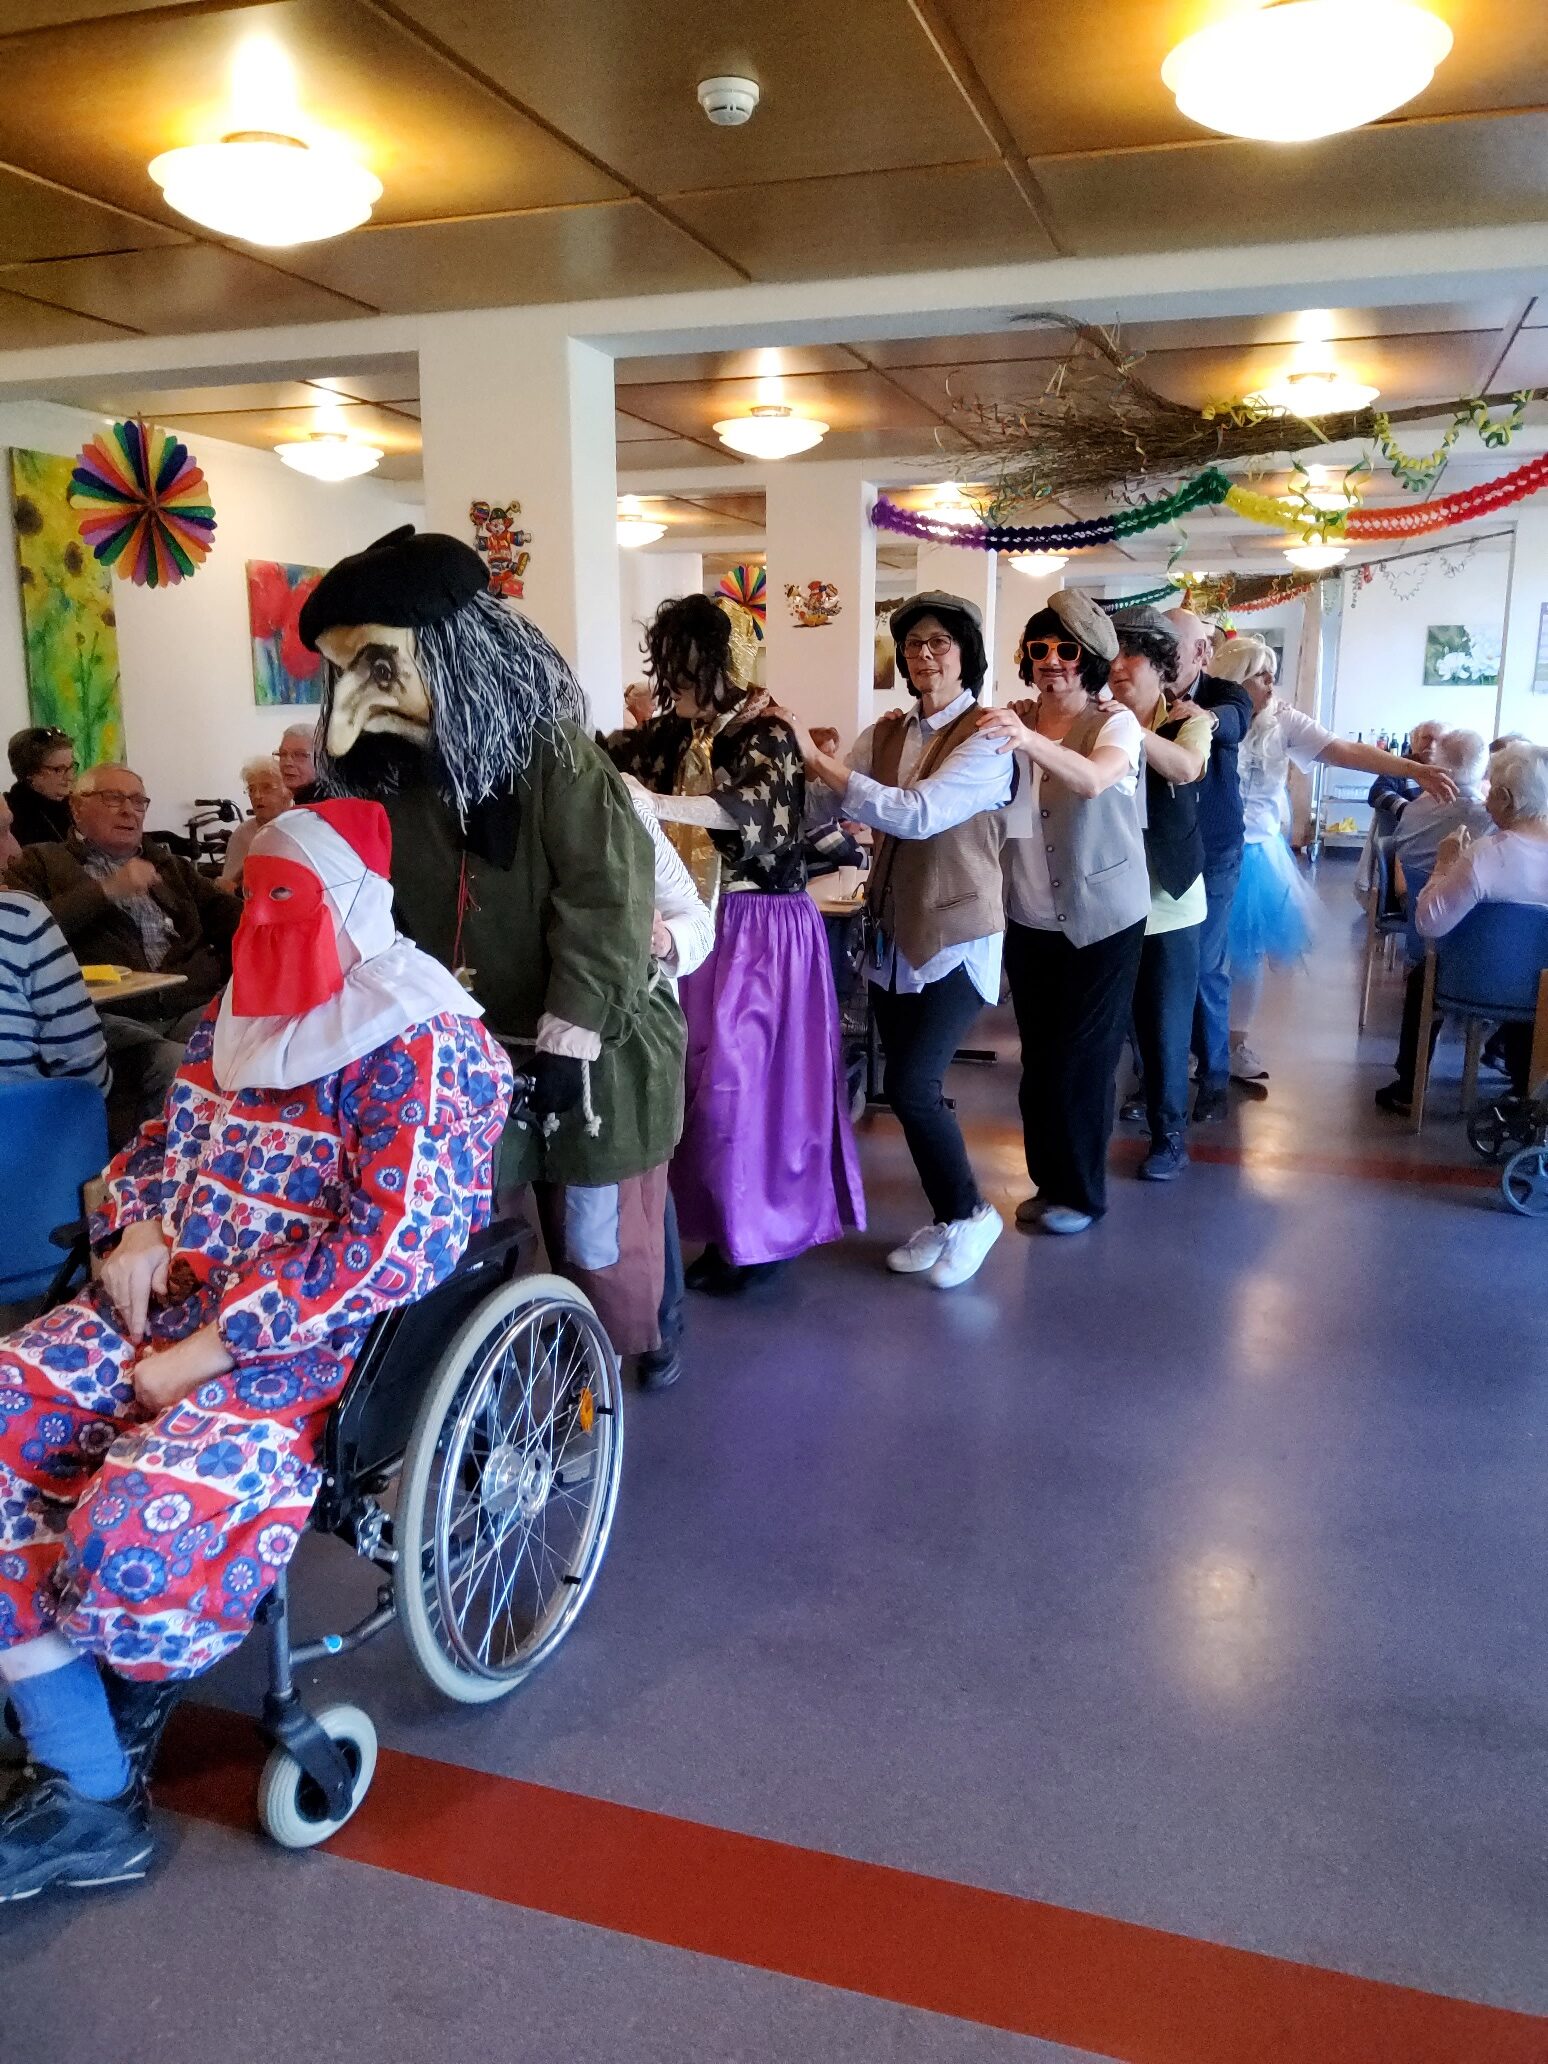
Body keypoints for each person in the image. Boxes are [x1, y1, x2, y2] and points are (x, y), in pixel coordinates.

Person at [0, 798, 511, 1902]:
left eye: (291, 896)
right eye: (254, 893)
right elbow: (154, 1146)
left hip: (302, 1349)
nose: (262, 917)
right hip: (159, 1303)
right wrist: (136, 1223)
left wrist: (214, 1350)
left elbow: (401, 1244)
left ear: (351, 904)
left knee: (130, 1524)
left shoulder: (425, 1043)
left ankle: (92, 1716)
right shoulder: (230, 1019)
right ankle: (86, 1776)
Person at [302, 525, 686, 1363]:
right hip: (470, 1051)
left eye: (376, 666)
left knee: (599, 1227)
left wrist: (573, 1028)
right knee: (493, 1219)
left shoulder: (557, 759)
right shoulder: (389, 782)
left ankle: (614, 1361)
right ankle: (521, 1369)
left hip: (596, 1044)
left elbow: (606, 899)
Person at [609, 593, 863, 1294]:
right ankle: (720, 1225)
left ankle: (761, 1235)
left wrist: (656, 802)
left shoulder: (767, 731)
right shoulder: (673, 733)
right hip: (695, 925)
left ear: (724, 666)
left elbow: (759, 813)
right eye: (671, 669)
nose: (678, 683)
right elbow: (606, 762)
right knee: (692, 1081)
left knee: (745, 1090)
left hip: (761, 930)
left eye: (691, 669)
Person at [794, 592, 1011, 1289]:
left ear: (967, 653)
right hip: (891, 933)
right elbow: (827, 800)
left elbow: (918, 814)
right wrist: (800, 760)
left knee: (915, 1085)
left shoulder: (991, 736)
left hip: (956, 935)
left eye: (940, 642)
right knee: (905, 1085)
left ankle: (974, 1214)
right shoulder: (887, 732)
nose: (924, 655)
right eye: (913, 644)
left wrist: (823, 762)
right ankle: (949, 1216)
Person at [1210, 637, 1456, 1090]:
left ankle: (1234, 1043)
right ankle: (1196, 1045)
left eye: (1272, 672)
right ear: (1235, 679)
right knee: (1201, 956)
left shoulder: (1284, 720)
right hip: (1206, 850)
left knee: (1246, 955)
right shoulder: (1206, 714)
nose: (1271, 681)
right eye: (1260, 674)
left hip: (1257, 852)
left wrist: (1412, 769)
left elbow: (1343, 750)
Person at [978, 590, 1150, 1236]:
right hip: (1029, 917)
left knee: (1083, 1060)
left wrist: (1028, 739)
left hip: (1103, 919)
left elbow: (1095, 779)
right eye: (1040, 648)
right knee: (1041, 1060)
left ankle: (1081, 1195)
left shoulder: (1115, 724)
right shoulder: (1014, 719)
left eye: (1067, 650)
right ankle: (1048, 1181)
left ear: (1090, 659)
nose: (1052, 661)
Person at [1377, 739, 1548, 1113]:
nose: (1485, 802)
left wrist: (1444, 863)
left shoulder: (1486, 853)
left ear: (1505, 798)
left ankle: (1409, 1087)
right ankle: (1526, 1088)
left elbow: (1428, 924)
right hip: (1541, 992)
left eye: (1491, 791)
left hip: (1470, 981)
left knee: (1424, 975)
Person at [5, 764, 237, 1022]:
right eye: (113, 798)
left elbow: (238, 920)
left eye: (138, 802)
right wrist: (107, 890)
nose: (129, 811)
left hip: (195, 1005)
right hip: (109, 1017)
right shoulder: (40, 862)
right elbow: (22, 937)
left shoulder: (171, 866)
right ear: (77, 808)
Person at [1107, 608, 1211, 1182]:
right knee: (1118, 1023)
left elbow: (1186, 767)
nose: (1119, 666)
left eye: (1132, 654)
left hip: (1170, 900)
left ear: (1160, 664)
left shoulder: (1189, 720)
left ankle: (1170, 1136)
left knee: (1167, 1026)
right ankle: (1135, 1102)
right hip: (1109, 898)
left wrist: (1128, 731)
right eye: (1112, 655)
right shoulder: (1091, 720)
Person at [618, 777, 715, 1388]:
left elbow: (695, 920)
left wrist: (665, 938)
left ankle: (659, 1319)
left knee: (642, 1172)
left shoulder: (618, 800)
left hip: (627, 1021)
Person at [1163, 609, 1254, 1122]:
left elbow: (1234, 721)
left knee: (1204, 965)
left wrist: (1206, 718)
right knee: (1157, 966)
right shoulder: (1145, 692)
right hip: (1160, 848)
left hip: (1215, 849)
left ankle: (1214, 1076)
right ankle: (1159, 1079)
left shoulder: (1226, 692)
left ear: (1200, 652)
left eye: (1170, 646)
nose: (1159, 655)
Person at [0, 793, 108, 1099]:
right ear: (77, 810)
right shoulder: (18, 914)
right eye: (1, 832)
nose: (14, 851)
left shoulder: (166, 864)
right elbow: (87, 1074)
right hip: (25, 1123)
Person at [1387, 728, 1493, 879]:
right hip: (1462, 893)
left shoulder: (1411, 810)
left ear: (1436, 762)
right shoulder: (1492, 819)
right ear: (1486, 768)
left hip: (1411, 892)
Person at [219, 755, 291, 888]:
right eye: (252, 789)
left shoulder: (300, 828)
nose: (257, 796)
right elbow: (227, 887)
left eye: (267, 787)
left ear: (289, 792)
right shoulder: (243, 833)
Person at [801, 726, 865, 875]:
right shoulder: (809, 799)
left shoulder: (819, 789)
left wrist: (842, 826)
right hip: (822, 877)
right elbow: (851, 859)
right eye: (825, 754)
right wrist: (864, 857)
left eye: (833, 752)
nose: (833, 759)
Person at [5, 727, 77, 849]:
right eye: (58, 770)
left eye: (71, 767)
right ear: (30, 772)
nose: (70, 777)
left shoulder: (77, 806)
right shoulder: (9, 816)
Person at [1367, 719, 1444, 813]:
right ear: (1414, 741)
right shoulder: (1401, 765)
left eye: (1439, 740)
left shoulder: (1451, 770)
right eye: (1426, 738)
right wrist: (1407, 810)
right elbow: (1377, 792)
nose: (1432, 745)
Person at [276, 724, 321, 804]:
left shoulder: (328, 805)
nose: (287, 763)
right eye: (283, 754)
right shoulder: (301, 801)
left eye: (299, 755)